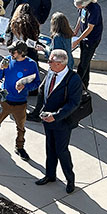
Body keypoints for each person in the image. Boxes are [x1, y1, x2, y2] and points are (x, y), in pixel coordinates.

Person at [35, 49, 83, 194]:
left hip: (62, 123)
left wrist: (55, 116)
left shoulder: (73, 79)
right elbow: (43, 89)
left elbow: (73, 103)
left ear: (59, 63)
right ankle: (50, 175)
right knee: (50, 148)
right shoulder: (51, 72)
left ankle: (70, 179)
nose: (48, 63)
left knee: (61, 151)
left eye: (50, 61)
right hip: (47, 120)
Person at [0, 42, 39, 161]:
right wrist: (0, 68)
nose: (10, 53)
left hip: (20, 102)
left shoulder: (31, 64)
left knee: (21, 127)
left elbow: (36, 83)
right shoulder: (7, 60)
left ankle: (20, 147)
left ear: (21, 53)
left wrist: (25, 87)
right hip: (4, 100)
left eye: (13, 51)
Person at [72, 0, 103, 91]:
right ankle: (84, 84)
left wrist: (78, 40)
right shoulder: (83, 8)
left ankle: (76, 86)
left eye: (80, 6)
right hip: (83, 37)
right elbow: (80, 18)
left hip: (92, 39)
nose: (79, 8)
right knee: (85, 61)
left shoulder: (94, 9)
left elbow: (90, 28)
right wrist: (76, 31)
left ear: (85, 4)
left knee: (83, 64)